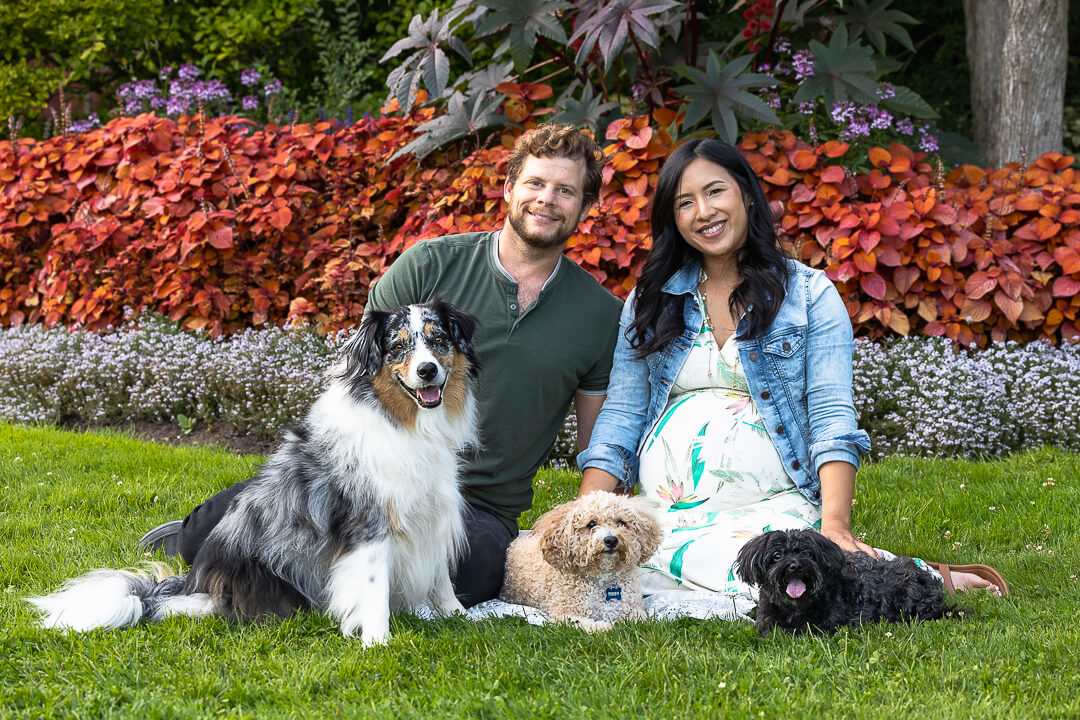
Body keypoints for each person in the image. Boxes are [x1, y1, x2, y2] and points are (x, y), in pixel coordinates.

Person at [139, 123, 624, 607]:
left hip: (480, 501)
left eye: (565, 190)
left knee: (470, 576)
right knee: (217, 533)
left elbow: (596, 441)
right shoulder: (430, 264)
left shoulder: (599, 313)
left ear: (583, 206)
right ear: (509, 188)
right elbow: (356, 376)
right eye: (535, 183)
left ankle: (328, 578)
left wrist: (586, 526)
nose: (546, 199)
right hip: (379, 473)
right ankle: (202, 539)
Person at [577, 138, 1007, 597]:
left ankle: (908, 577)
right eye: (685, 202)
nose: (703, 212)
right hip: (663, 510)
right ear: (673, 219)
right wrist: (583, 515)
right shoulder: (651, 301)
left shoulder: (807, 296)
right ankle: (869, 575)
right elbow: (621, 416)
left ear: (745, 193)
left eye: (714, 191)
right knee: (607, 563)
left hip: (772, 507)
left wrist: (835, 525)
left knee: (764, 575)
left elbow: (830, 415)